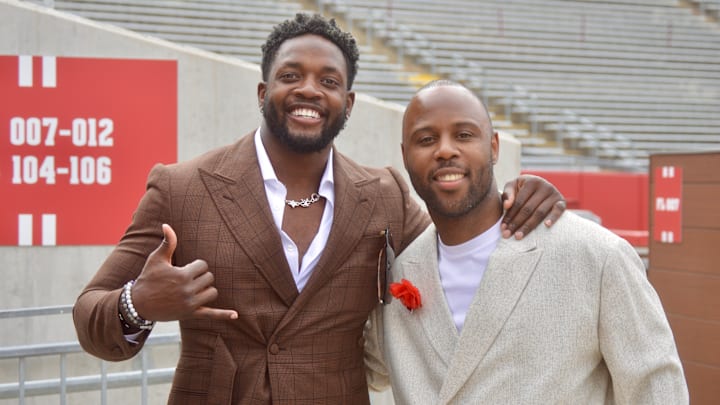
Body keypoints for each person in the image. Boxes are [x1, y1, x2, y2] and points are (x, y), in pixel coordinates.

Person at [72, 15, 565, 404]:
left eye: (328, 81)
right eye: (291, 76)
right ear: (264, 93)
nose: (310, 89)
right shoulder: (183, 187)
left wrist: (519, 195)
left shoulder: (385, 193)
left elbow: (458, 246)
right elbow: (89, 313)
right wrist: (138, 303)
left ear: (347, 104)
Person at [364, 80, 689, 404]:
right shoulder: (400, 273)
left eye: (464, 135)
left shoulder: (598, 256)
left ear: (493, 147)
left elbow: (658, 391)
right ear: (405, 155)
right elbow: (356, 365)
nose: (446, 149)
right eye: (426, 139)